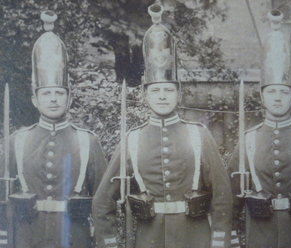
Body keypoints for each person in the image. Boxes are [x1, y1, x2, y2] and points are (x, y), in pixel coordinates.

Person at [92, 3, 232, 248]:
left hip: (195, 238)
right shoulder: (133, 140)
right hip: (150, 239)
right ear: (146, 95)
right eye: (155, 90)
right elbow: (103, 200)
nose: (162, 96)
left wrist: (218, 241)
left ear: (179, 94)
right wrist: (110, 242)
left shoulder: (198, 135)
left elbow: (222, 194)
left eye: (169, 90)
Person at [0, 11, 107, 248]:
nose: (53, 99)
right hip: (28, 238)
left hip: (73, 238)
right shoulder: (17, 141)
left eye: (59, 93)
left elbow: (103, 201)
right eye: (46, 93)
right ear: (34, 100)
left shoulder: (87, 142)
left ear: (69, 99)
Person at [228, 9, 291, 248]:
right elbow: (231, 198)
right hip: (259, 236)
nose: (277, 98)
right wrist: (232, 239)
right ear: (261, 98)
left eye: (284, 92)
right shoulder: (248, 140)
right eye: (271, 92)